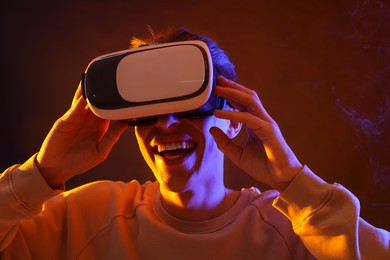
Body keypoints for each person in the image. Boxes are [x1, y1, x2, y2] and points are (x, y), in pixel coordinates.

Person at [0, 28, 389, 260]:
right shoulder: (83, 216)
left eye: (189, 107)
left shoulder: (298, 230)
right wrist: (43, 172)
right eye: (148, 113)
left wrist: (294, 183)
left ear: (233, 118)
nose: (166, 124)